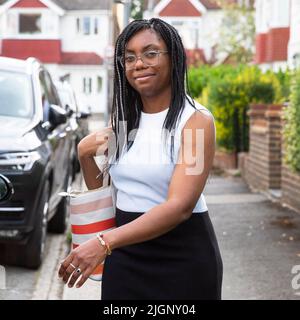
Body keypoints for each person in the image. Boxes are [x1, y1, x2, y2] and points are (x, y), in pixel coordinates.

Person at [58, 18, 223, 300]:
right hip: (125, 258)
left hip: (181, 260)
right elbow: (107, 194)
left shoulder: (195, 122)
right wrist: (85, 155)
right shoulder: (125, 122)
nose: (139, 64)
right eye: (130, 57)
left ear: (174, 57)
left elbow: (180, 206)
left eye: (150, 53)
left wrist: (103, 241)